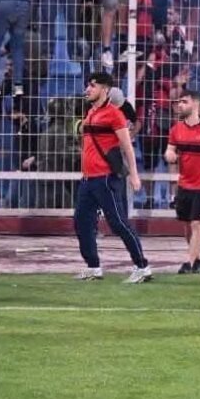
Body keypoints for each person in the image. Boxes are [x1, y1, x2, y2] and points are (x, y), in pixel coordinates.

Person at [74, 72, 150, 282]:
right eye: (88, 85)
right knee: (81, 222)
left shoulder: (114, 114)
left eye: (92, 85)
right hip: (88, 179)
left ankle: (142, 266)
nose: (87, 89)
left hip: (105, 179)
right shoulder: (91, 112)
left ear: (105, 89)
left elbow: (127, 146)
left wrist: (134, 175)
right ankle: (93, 267)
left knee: (118, 223)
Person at [165, 90, 200, 274]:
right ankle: (199, 259)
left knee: (197, 223)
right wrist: (170, 154)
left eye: (184, 102)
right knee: (187, 224)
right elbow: (170, 149)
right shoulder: (176, 129)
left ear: (195, 104)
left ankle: (190, 262)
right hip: (184, 184)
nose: (180, 105)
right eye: (179, 102)